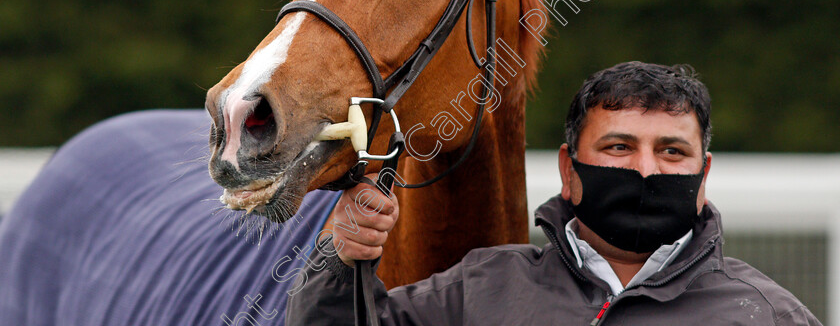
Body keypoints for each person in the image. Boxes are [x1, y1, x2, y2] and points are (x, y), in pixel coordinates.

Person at [286, 61, 822, 325]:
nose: (644, 169)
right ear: (569, 169)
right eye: (617, 147)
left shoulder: (769, 315)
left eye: (671, 152)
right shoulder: (482, 290)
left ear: (703, 177)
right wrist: (341, 254)